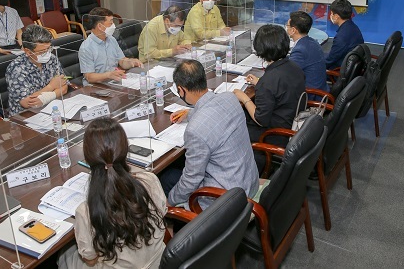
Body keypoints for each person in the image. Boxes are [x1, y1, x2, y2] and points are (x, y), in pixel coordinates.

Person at [57, 117, 167, 269]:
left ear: (88, 158)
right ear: (125, 149)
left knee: (65, 253)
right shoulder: (150, 180)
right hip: (159, 262)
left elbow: (90, 259)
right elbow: (163, 213)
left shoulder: (87, 211)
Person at [163, 60, 259, 209]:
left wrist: (169, 202)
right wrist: (189, 113)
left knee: (166, 178)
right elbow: (213, 109)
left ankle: (173, 225)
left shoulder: (194, 131)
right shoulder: (230, 98)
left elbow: (191, 180)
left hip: (225, 200)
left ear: (181, 90)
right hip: (248, 182)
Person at [232, 25, 305, 169]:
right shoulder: (292, 66)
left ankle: (248, 167)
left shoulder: (269, 80)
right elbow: (281, 88)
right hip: (293, 121)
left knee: (233, 128)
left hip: (276, 133)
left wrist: (244, 98)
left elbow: (260, 119)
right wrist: (260, 83)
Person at [6, 25, 67, 115]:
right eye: (42, 51)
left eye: (49, 48)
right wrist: (51, 87)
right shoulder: (17, 69)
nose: (47, 53)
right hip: (26, 115)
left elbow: (64, 87)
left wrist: (46, 97)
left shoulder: (52, 59)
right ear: (28, 52)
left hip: (52, 108)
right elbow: (27, 103)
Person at [78, 7, 143, 85]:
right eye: (111, 23)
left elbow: (122, 61)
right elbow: (89, 77)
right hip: (96, 87)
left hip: (113, 81)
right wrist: (108, 75)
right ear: (100, 26)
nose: (114, 26)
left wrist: (131, 62)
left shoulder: (111, 39)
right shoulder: (86, 47)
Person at [287, 11, 329, 93]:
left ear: (293, 30)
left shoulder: (300, 50)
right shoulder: (312, 42)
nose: (286, 27)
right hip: (321, 89)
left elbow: (287, 75)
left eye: (287, 25)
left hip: (310, 94)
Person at [326, 0, 364, 69]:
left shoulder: (341, 37)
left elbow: (330, 60)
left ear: (337, 16)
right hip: (349, 64)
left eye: (331, 13)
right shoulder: (353, 27)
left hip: (338, 70)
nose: (330, 16)